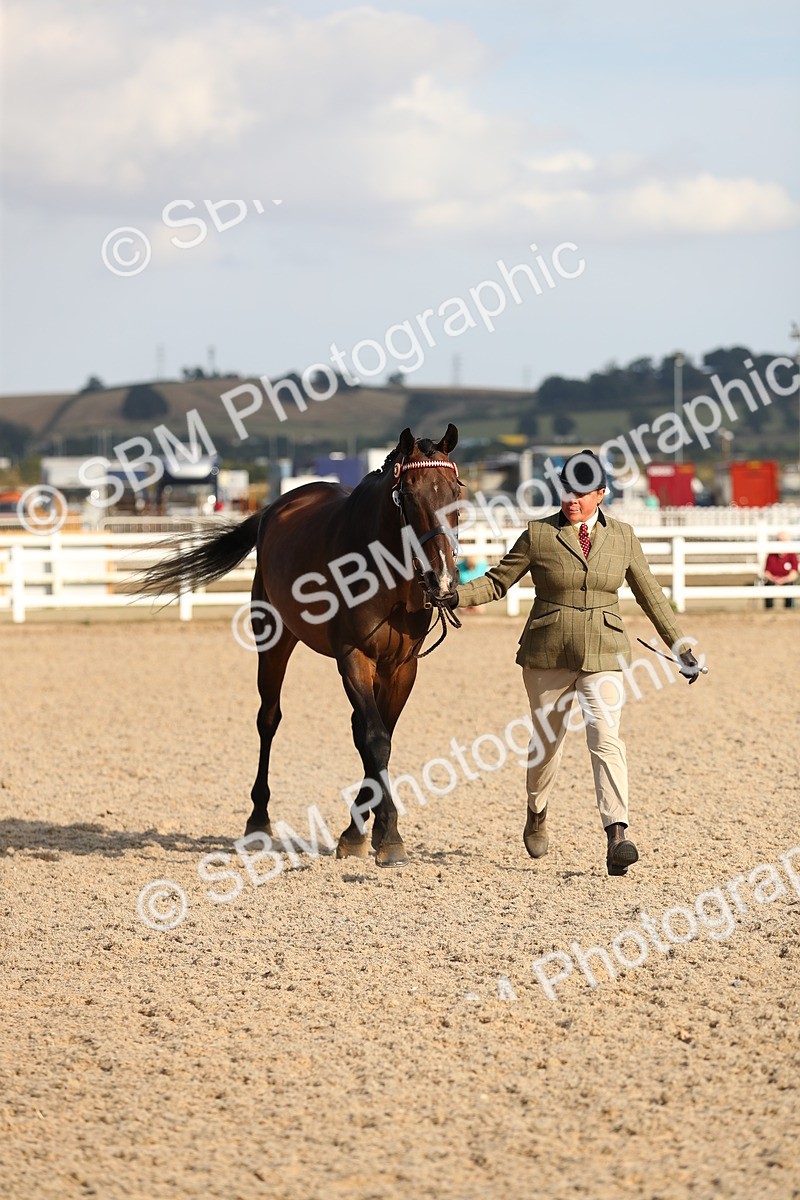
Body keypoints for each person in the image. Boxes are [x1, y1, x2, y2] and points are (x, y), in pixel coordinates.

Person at [447, 450, 702, 876]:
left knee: (606, 735)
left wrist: (681, 647)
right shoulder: (539, 534)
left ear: (601, 493)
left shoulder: (622, 537)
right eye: (566, 491)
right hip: (547, 653)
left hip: (604, 650)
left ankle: (617, 835)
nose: (572, 500)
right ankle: (537, 808)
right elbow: (496, 583)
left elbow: (651, 594)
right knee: (547, 745)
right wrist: (457, 595)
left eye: (582, 493)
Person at [763, 532, 798, 609]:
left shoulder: (792, 555)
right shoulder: (771, 555)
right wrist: (774, 579)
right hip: (773, 579)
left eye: (783, 541)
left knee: (789, 585)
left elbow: (794, 573)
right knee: (769, 584)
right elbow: (767, 572)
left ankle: (789, 608)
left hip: (787, 580)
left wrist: (784, 580)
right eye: (779, 541)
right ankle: (769, 608)